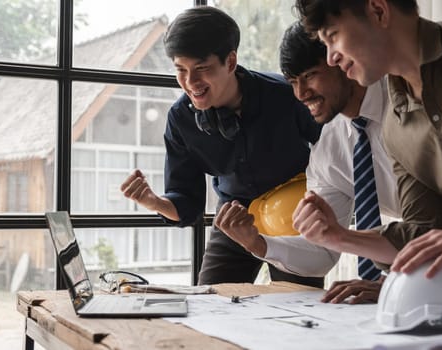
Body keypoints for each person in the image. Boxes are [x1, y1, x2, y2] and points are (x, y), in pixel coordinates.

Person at [215, 21, 442, 303]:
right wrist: (260, 244)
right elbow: (323, 252)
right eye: (293, 82)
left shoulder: (408, 97)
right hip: (425, 249)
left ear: (341, 61)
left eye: (310, 75)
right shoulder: (329, 148)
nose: (301, 94)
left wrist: (392, 281)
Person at [292, 0, 442, 290]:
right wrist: (339, 236)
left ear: (378, 10)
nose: (331, 58)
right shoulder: (396, 130)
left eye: (332, 36)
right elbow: (424, 233)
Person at [120, 6, 323, 287]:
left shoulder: (286, 96)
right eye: (181, 70)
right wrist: (153, 201)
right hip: (232, 217)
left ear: (230, 61)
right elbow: (186, 204)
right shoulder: (181, 119)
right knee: (209, 304)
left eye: (201, 69)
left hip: (293, 217)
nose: (191, 83)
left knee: (302, 307)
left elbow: (335, 147)